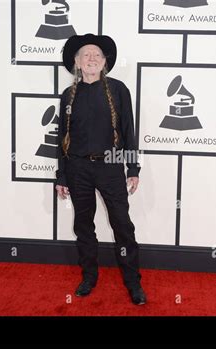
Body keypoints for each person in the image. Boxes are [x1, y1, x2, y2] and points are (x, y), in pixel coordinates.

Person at [55, 33, 146, 305]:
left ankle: (133, 282)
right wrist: (61, 175)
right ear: (77, 62)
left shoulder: (119, 90)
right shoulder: (68, 95)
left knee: (122, 225)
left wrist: (133, 167)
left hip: (110, 165)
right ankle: (89, 277)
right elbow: (62, 137)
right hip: (77, 168)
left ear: (105, 61)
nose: (92, 58)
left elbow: (128, 130)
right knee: (83, 226)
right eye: (86, 54)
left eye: (97, 54)